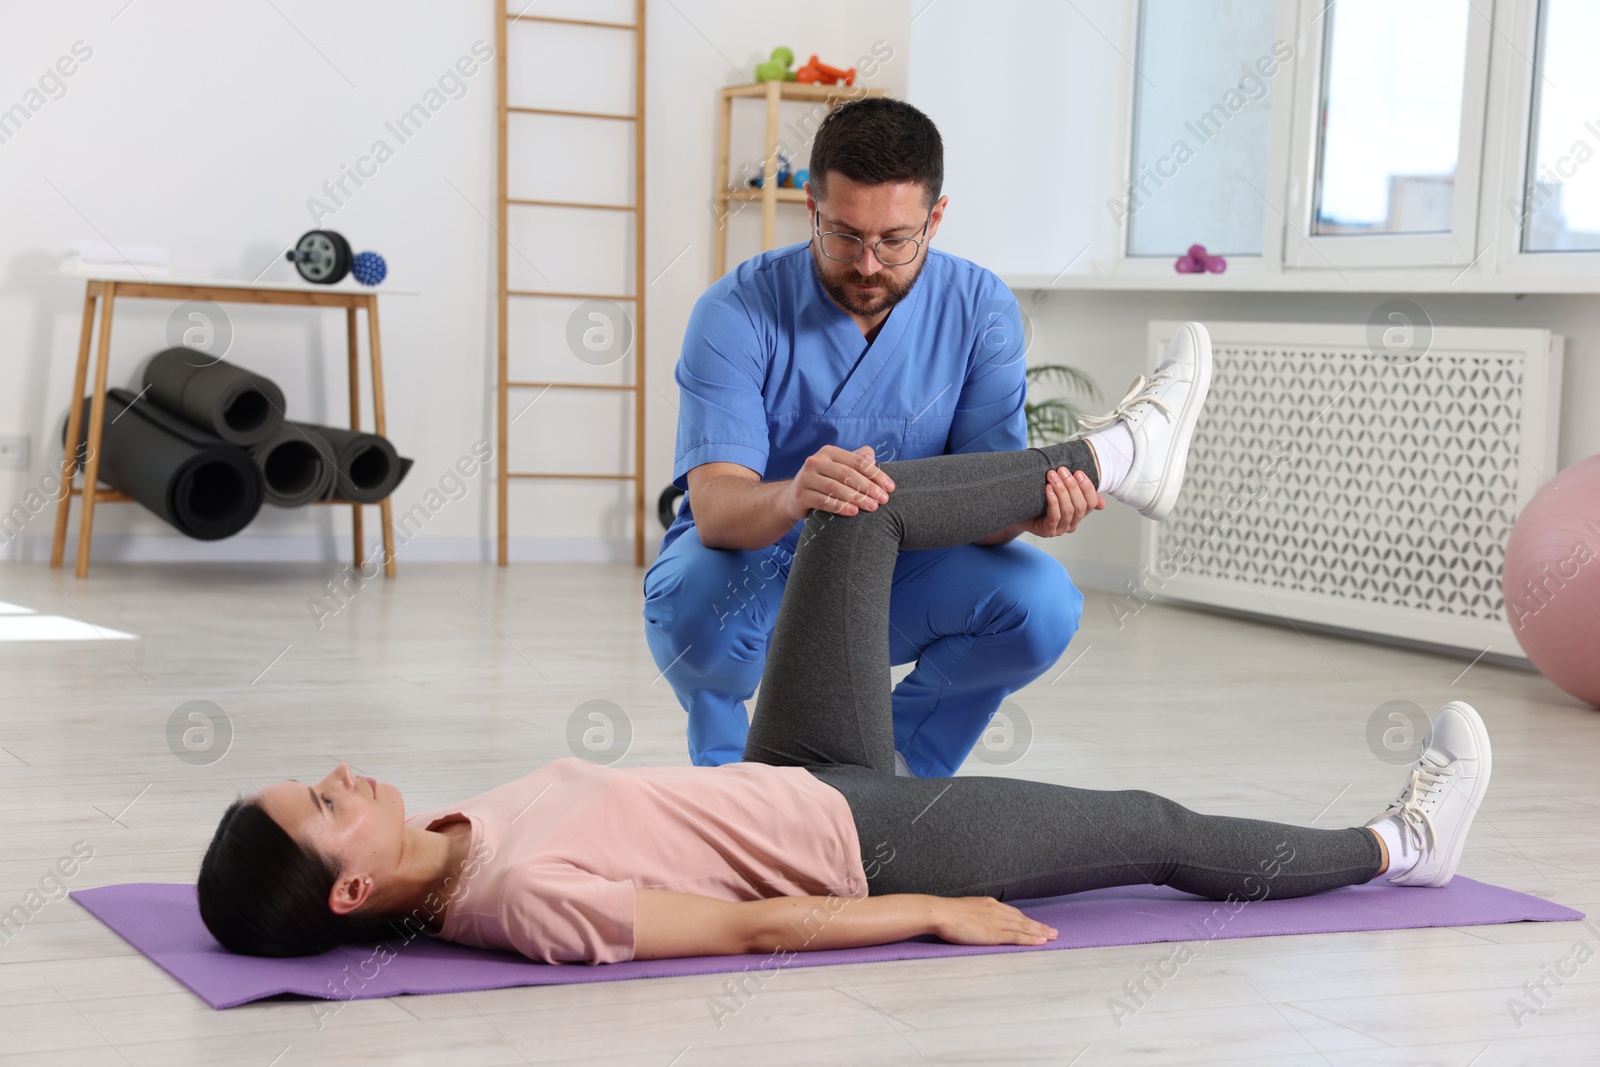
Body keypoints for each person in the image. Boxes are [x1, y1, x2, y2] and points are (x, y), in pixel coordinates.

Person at [197, 331, 1493, 965]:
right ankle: (1402, 848)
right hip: (866, 838)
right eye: (322, 804)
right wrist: (928, 907)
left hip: (794, 765)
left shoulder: (448, 836)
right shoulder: (518, 901)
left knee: (848, 501)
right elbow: (747, 925)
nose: (342, 772)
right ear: (350, 889)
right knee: (1148, 822)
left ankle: (1117, 460)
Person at [645, 96, 1148, 775]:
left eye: (895, 240)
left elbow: (979, 504)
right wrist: (794, 494)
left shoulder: (980, 309)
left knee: (1042, 603)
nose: (870, 265)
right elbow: (718, 507)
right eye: (845, 236)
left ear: (936, 218)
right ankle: (737, 786)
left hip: (897, 572)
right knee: (691, 601)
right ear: (811, 209)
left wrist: (1029, 510)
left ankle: (895, 773)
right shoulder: (736, 311)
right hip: (760, 568)